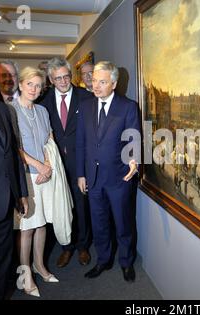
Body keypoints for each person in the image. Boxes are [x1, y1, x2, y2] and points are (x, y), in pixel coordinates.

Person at [76, 61, 140, 282]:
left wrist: (134, 163)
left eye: (102, 82)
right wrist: (81, 174)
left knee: (123, 224)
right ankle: (103, 260)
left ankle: (126, 262)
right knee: (99, 224)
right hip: (93, 180)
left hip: (119, 178)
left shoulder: (128, 107)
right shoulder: (85, 107)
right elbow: (81, 142)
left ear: (113, 83)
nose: (96, 86)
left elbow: (133, 141)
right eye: (94, 81)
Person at [12, 67, 62, 297]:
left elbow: (49, 139)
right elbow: (15, 149)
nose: (34, 89)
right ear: (20, 84)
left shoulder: (42, 110)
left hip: (45, 174)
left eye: (38, 85)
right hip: (25, 176)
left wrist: (47, 165)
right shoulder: (10, 111)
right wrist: (38, 166)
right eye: (30, 84)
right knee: (27, 228)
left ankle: (39, 266)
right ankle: (25, 274)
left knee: (42, 224)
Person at [41, 57, 93, 268]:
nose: (63, 81)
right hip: (56, 166)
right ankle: (66, 247)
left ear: (71, 76)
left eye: (66, 76)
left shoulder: (86, 97)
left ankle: (82, 247)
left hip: (80, 163)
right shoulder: (43, 101)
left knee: (81, 206)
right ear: (51, 80)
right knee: (61, 206)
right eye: (58, 78)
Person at [0, 100, 28, 300]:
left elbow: (13, 155)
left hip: (5, 200)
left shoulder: (2, 109)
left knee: (2, 257)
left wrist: (22, 193)